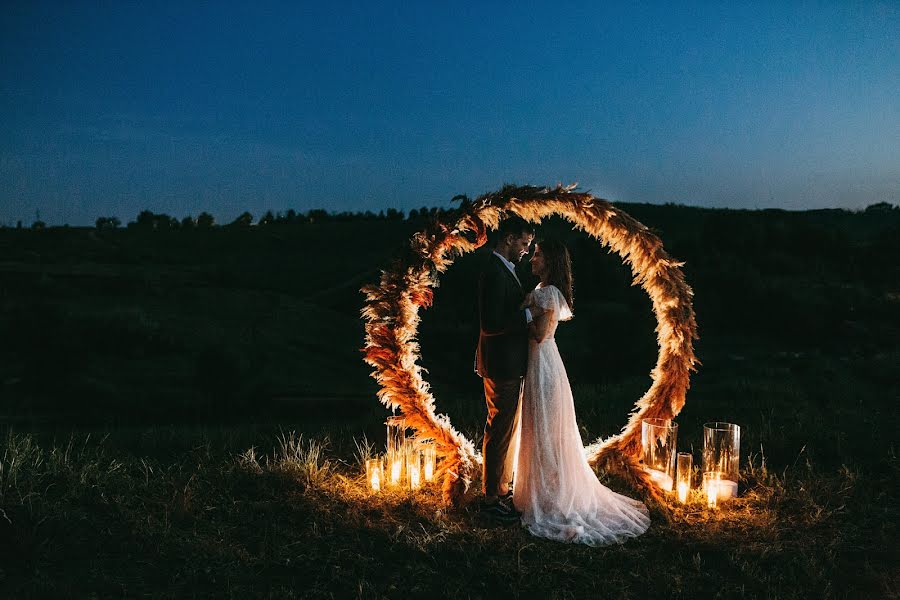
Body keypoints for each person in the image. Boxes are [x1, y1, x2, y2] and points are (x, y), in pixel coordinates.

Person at [514, 239, 651, 545]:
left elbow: (539, 334)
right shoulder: (540, 291)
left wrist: (522, 311)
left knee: (547, 432)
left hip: (545, 367)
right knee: (539, 430)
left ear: (549, 261)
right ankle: (541, 491)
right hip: (538, 366)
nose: (533, 260)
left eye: (537, 255)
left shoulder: (548, 293)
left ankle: (553, 498)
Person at [475, 215, 536, 523]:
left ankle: (499, 491)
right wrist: (526, 316)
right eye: (524, 243)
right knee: (499, 429)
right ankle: (490, 502)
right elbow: (491, 323)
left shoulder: (505, 270)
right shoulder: (493, 271)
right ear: (509, 238)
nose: (527, 250)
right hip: (501, 365)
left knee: (506, 428)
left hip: (507, 363)